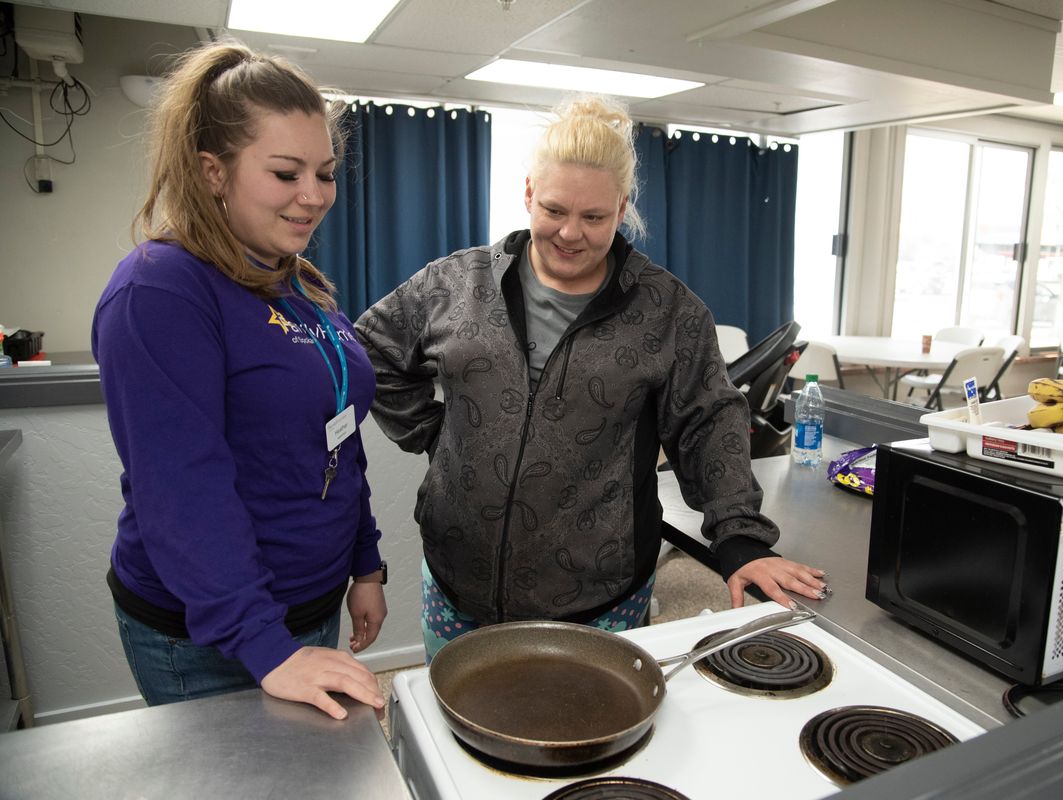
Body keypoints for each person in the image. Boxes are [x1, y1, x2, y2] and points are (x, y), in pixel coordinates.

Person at [355, 95, 827, 662]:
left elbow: (708, 423)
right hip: (459, 587)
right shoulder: (456, 284)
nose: (570, 233)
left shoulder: (668, 312)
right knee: (456, 733)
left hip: (598, 598)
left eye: (594, 217)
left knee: (586, 740)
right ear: (529, 193)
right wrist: (435, 435)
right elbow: (370, 350)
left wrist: (741, 538)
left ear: (623, 207)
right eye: (554, 210)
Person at [92, 42, 386, 719]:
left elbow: (337, 439)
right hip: (215, 634)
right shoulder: (161, 291)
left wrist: (365, 564)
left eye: (325, 173)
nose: (313, 197)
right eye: (285, 173)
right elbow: (181, 489)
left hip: (306, 608)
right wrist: (266, 645)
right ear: (213, 171)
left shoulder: (298, 283)